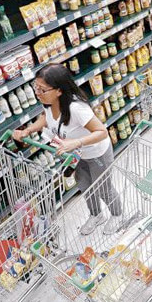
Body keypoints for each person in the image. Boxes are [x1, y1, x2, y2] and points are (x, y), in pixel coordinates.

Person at [12, 64, 122, 235]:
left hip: (96, 153)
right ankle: (96, 215)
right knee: (85, 186)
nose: (37, 93)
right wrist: (28, 130)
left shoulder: (76, 108)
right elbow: (45, 119)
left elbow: (102, 132)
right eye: (36, 88)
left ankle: (117, 215)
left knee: (103, 188)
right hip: (77, 155)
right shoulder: (48, 103)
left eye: (42, 89)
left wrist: (76, 142)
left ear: (59, 90)